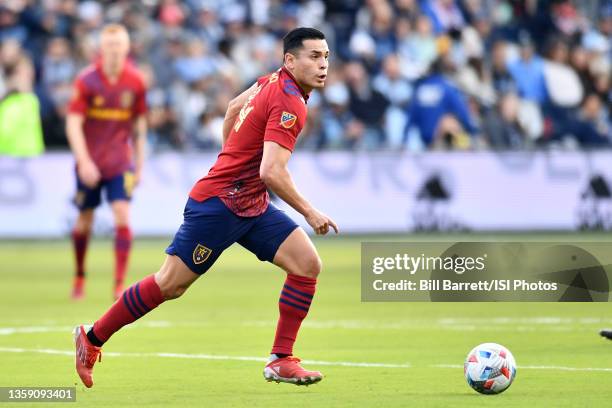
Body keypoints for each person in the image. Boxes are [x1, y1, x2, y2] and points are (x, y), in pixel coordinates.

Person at [74, 27, 337, 388]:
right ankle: (91, 338)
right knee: (170, 285)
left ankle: (281, 359)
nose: (323, 64)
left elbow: (232, 108)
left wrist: (232, 154)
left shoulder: (271, 81)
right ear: (290, 60)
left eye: (325, 56)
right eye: (314, 56)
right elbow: (272, 171)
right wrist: (310, 212)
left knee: (307, 265)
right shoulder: (289, 102)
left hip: (250, 203)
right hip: (218, 206)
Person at [66, 23, 147, 300]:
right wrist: (83, 161)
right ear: (101, 49)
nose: (114, 50)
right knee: (85, 220)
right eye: (110, 45)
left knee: (122, 214)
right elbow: (73, 124)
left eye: (119, 45)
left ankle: (119, 284)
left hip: (119, 162)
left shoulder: (135, 81)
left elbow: (138, 127)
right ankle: (79, 275)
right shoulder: (86, 81)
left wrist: (140, 164)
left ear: (127, 48)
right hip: (90, 162)